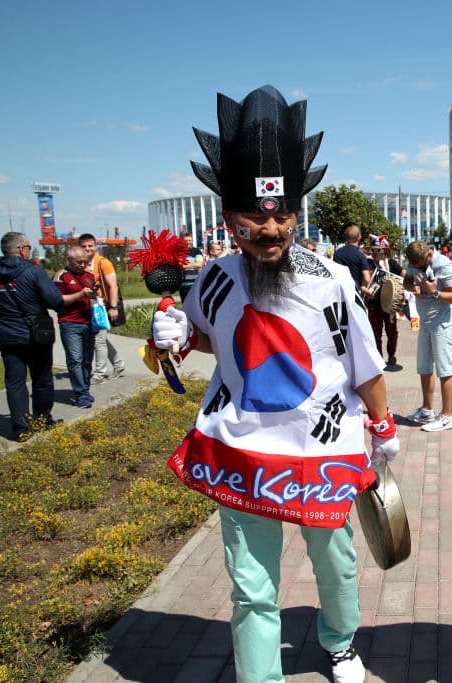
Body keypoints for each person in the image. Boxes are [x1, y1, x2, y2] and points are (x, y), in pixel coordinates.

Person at [155, 84, 398, 683]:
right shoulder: (212, 278)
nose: (270, 228)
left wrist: (383, 426)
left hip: (323, 446)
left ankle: (340, 643)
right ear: (230, 218)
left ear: (296, 212)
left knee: (336, 563)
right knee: (250, 586)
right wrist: (177, 337)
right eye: (256, 216)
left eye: (282, 214)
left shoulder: (333, 279)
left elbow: (363, 363)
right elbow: (211, 335)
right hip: (241, 448)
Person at [0, 232, 68, 439]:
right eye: (28, 246)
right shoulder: (33, 272)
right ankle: (42, 419)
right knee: (42, 378)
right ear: (21, 249)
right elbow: (54, 300)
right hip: (35, 333)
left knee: (14, 382)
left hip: (7, 335)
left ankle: (20, 428)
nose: (29, 250)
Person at [403, 239, 452, 432]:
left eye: (418, 265)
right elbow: (407, 281)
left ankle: (447, 416)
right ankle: (427, 410)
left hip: (441, 323)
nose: (414, 268)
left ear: (428, 255)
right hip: (424, 322)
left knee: (444, 370)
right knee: (424, 368)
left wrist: (434, 293)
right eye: (413, 266)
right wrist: (414, 289)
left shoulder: (443, 265)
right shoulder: (414, 262)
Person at [78, 233, 126, 383]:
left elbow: (113, 286)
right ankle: (118, 364)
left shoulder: (102, 263)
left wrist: (113, 307)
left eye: (90, 246)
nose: (87, 249)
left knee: (98, 341)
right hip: (86, 306)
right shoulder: (80, 262)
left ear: (95, 247)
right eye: (84, 246)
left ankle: (99, 374)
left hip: (101, 306)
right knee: (100, 339)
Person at [54, 245, 98, 408]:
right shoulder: (61, 276)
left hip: (88, 323)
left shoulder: (89, 276)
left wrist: (94, 294)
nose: (81, 265)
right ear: (69, 260)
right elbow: (57, 300)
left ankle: (85, 390)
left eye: (84, 262)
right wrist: (80, 294)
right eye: (78, 262)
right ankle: (81, 394)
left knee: (87, 360)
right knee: (75, 360)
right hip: (70, 323)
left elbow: (93, 296)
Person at [364, 234, 403, 368]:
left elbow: (403, 274)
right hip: (374, 305)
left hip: (389, 305)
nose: (375, 253)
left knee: (392, 331)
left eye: (379, 250)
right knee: (375, 332)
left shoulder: (390, 263)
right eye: (373, 250)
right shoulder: (367, 264)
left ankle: (391, 355)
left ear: (384, 251)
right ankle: (378, 357)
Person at [333, 224, 371, 301]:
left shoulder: (337, 253)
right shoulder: (360, 255)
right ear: (359, 237)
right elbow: (367, 278)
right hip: (354, 292)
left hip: (339, 292)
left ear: (346, 238)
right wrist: (363, 287)